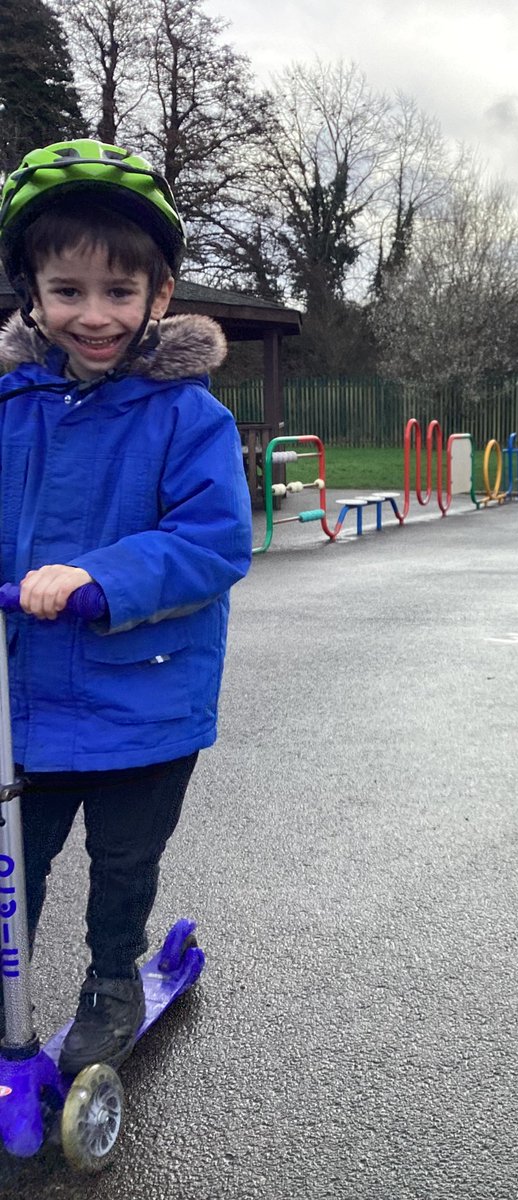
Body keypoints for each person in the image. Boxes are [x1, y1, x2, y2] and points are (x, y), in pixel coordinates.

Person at [0, 139, 252, 1072]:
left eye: (118, 292)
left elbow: (212, 543)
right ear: (32, 292)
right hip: (21, 702)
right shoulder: (9, 407)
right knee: (12, 859)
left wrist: (97, 578)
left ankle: (111, 978)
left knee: (121, 863)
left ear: (161, 293)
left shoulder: (189, 418)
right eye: (68, 291)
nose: (93, 315)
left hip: (143, 699)